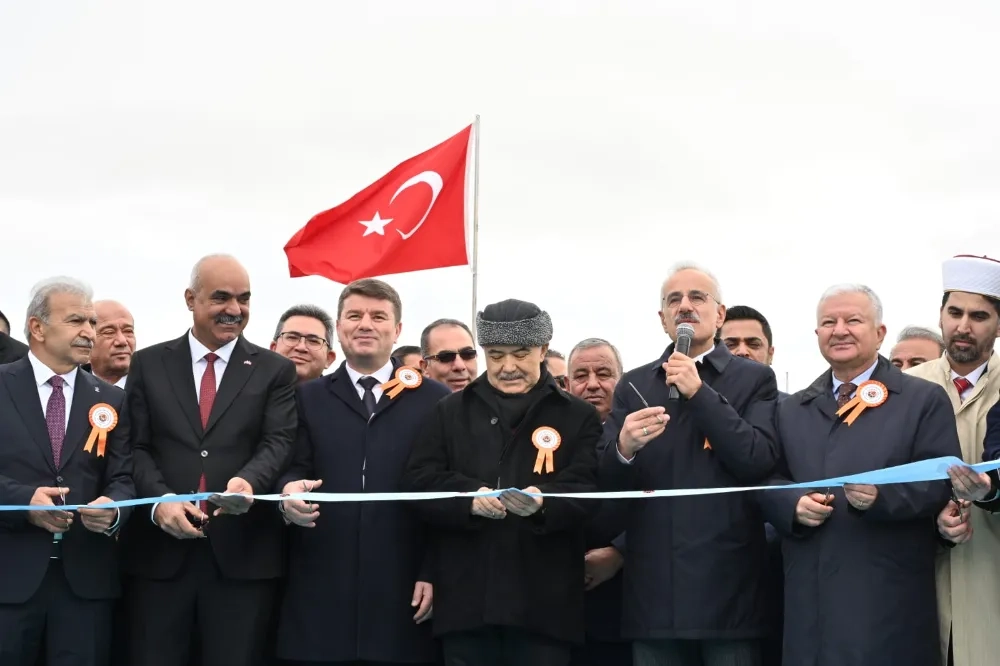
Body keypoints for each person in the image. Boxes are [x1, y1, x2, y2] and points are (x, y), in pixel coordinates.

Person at [759, 283, 961, 666]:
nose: (839, 330)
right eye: (828, 322)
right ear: (817, 333)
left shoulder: (922, 400)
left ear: (880, 333)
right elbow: (767, 479)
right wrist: (790, 504)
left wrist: (882, 497)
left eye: (852, 320)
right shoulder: (792, 409)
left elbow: (939, 481)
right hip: (811, 597)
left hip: (886, 596)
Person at [118, 254, 298, 666]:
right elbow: (135, 447)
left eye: (244, 299)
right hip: (159, 558)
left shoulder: (275, 370)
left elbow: (279, 440)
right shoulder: (148, 363)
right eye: (221, 298)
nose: (234, 309)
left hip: (241, 557)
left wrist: (249, 481)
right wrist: (160, 501)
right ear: (190, 299)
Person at [402, 298, 601, 666]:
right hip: (467, 604)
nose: (508, 367)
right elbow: (419, 482)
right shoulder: (449, 411)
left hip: (545, 608)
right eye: (495, 356)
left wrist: (544, 502)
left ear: (543, 349)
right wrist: (468, 499)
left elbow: (590, 487)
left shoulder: (578, 415)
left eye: (520, 354)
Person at [601, 264, 779, 666]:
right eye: (674, 300)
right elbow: (605, 477)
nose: (685, 306)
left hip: (729, 590)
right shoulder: (634, 384)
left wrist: (699, 393)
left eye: (697, 297)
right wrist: (623, 447)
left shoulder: (754, 379)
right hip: (654, 592)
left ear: (719, 315)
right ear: (663, 319)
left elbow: (757, 459)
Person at [275, 278, 450, 665]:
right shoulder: (307, 398)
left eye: (378, 316)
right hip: (321, 592)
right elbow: (290, 467)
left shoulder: (434, 400)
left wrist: (433, 570)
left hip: (404, 591)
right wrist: (288, 494)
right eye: (354, 315)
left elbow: (444, 495)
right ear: (339, 327)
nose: (365, 324)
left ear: (398, 330)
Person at [0, 277, 134, 665]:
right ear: (37, 327)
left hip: (85, 584)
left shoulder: (113, 399)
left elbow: (124, 476)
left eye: (92, 322)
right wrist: (24, 501)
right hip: (9, 579)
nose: (89, 332)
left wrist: (114, 509)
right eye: (76, 321)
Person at [907, 255, 1000, 666]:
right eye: (955, 312)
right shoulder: (907, 386)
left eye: (979, 316)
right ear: (940, 316)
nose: (963, 326)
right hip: (919, 572)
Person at [565, 338, 632, 666]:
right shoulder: (546, 436)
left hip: (626, 604)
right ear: (567, 384)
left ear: (621, 380)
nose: (592, 384)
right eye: (581, 376)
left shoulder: (646, 433)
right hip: (559, 610)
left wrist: (621, 551)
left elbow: (667, 507)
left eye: (603, 374)